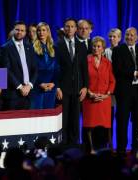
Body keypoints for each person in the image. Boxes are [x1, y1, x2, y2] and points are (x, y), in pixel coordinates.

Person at [112, 27, 138, 155]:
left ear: (136, 37)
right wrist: (135, 73)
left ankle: (137, 148)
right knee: (122, 121)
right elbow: (117, 70)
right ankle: (121, 150)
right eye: (127, 35)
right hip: (124, 92)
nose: (129, 37)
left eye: (132, 35)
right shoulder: (118, 50)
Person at [56, 18, 88, 146]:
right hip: (63, 89)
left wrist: (85, 86)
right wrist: (57, 87)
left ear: (76, 29)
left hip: (77, 89)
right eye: (67, 26)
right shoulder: (57, 45)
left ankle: (74, 146)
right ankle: (63, 146)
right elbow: (55, 69)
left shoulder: (81, 45)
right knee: (64, 120)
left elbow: (84, 68)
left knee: (75, 120)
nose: (69, 29)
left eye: (72, 26)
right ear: (64, 28)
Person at [82, 36, 116, 153]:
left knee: (106, 126)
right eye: (94, 46)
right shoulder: (86, 60)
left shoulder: (107, 63)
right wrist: (89, 93)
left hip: (104, 100)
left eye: (98, 46)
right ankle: (90, 149)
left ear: (103, 48)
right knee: (90, 126)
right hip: (90, 99)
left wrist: (107, 94)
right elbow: (82, 79)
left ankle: (109, 148)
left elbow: (112, 81)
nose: (96, 48)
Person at [0, 21, 38, 110]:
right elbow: (6, 70)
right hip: (13, 94)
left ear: (25, 32)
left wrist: (29, 85)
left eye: (22, 30)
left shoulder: (29, 47)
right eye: (17, 30)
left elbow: (35, 69)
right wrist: (20, 87)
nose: (19, 32)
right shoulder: (5, 48)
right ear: (13, 30)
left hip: (28, 93)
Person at [31, 22, 58, 109]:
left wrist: (54, 83)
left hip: (51, 87)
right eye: (39, 30)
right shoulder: (31, 48)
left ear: (48, 32)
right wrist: (40, 83)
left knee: (49, 115)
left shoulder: (54, 48)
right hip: (37, 86)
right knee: (37, 115)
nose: (41, 33)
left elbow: (58, 69)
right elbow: (30, 69)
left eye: (43, 30)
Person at [104, 28, 122, 149]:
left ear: (119, 38)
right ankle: (109, 143)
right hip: (109, 89)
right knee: (108, 117)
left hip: (121, 89)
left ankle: (122, 142)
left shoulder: (123, 51)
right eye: (110, 36)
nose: (112, 39)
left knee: (121, 117)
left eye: (114, 36)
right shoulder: (105, 51)